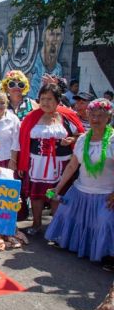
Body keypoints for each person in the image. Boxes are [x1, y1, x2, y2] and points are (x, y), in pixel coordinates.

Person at [45, 98, 114, 268]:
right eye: (93, 115)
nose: (96, 119)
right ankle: (69, 242)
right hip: (80, 190)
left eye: (100, 116)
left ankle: (108, 255)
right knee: (66, 212)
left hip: (106, 194)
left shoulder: (113, 140)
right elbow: (72, 165)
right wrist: (58, 188)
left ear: (109, 118)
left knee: (104, 222)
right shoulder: (83, 139)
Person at [18, 83, 85, 235]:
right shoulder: (32, 117)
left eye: (49, 99)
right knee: (37, 195)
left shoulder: (67, 116)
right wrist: (22, 163)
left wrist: (72, 140)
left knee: (56, 195)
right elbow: (22, 141)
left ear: (57, 100)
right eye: (42, 99)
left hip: (60, 165)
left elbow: (82, 135)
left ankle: (56, 227)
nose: (45, 102)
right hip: (38, 164)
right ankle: (36, 224)